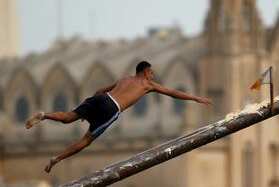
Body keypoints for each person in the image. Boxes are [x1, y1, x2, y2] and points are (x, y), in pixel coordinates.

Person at [25, 61, 212, 173]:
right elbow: (171, 92)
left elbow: (99, 91)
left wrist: (89, 112)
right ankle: (56, 159)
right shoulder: (146, 84)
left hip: (102, 98)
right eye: (152, 73)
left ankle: (44, 115)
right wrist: (194, 97)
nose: (153, 77)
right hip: (112, 108)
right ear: (145, 72)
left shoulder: (123, 79)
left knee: (68, 117)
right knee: (87, 139)